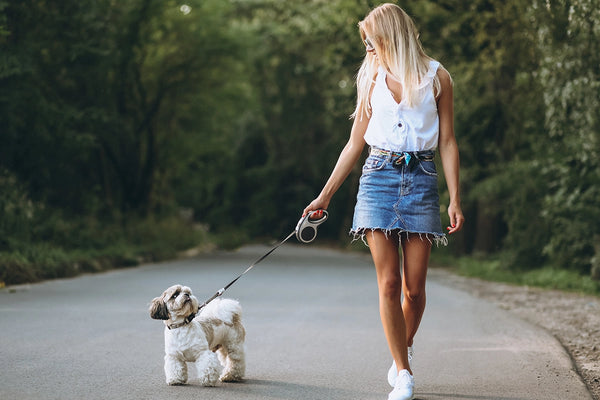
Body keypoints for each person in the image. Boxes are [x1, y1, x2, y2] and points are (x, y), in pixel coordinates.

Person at [302, 4, 464, 400]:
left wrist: (455, 198)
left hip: (422, 179)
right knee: (389, 283)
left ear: (390, 36)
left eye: (370, 41)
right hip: (377, 178)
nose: (367, 48)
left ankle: (399, 351)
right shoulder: (369, 77)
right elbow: (355, 142)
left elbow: (446, 141)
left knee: (414, 289)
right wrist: (325, 195)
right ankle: (404, 373)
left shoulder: (437, 77)